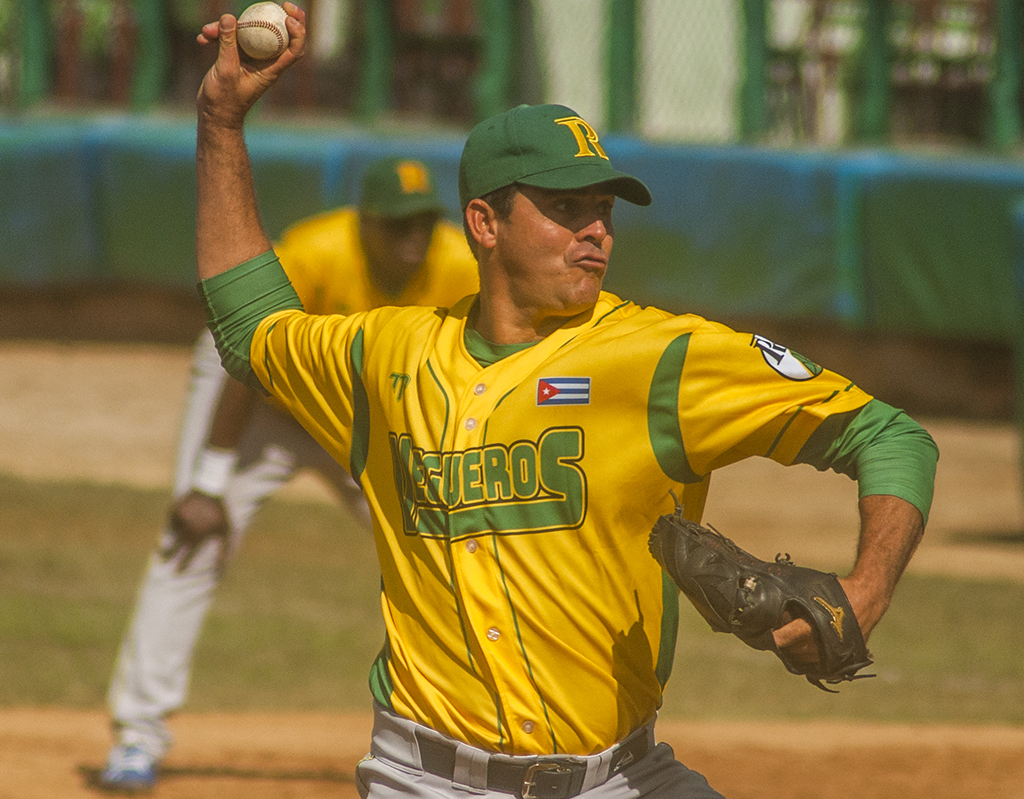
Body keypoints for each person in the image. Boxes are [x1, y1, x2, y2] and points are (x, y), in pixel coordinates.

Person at [188, 6, 938, 797]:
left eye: (604, 210)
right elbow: (251, 328)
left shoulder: (661, 359)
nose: (596, 232)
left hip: (625, 776)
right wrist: (220, 120)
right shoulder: (389, 356)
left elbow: (889, 435)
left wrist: (869, 585)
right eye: (565, 208)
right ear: (485, 221)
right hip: (426, 780)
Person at [98, 153, 480, 792]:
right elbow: (244, 354)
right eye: (397, 226)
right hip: (257, 398)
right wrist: (209, 481)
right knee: (191, 541)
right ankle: (137, 739)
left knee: (447, 558)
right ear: (364, 223)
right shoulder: (315, 253)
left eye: (423, 224)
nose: (413, 240)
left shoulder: (459, 269)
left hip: (356, 424)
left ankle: (469, 742)